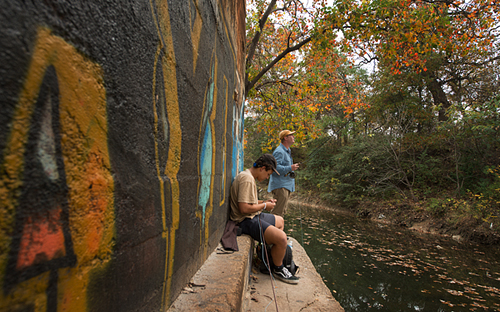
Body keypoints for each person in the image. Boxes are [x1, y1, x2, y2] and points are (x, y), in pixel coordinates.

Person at [230, 154, 299, 284]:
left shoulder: (249, 176)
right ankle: (278, 268)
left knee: (280, 221)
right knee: (282, 238)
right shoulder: (247, 179)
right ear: (262, 168)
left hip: (251, 215)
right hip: (244, 221)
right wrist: (265, 205)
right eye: (268, 174)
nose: (267, 177)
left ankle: (267, 259)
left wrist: (264, 201)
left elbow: (249, 201)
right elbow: (244, 208)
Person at [267, 130, 300, 217]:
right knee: (277, 213)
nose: (293, 137)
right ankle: (271, 230)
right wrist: (290, 168)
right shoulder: (279, 151)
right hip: (280, 186)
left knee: (281, 212)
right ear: (285, 138)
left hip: (285, 186)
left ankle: (276, 229)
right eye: (291, 135)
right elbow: (274, 168)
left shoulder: (287, 151)